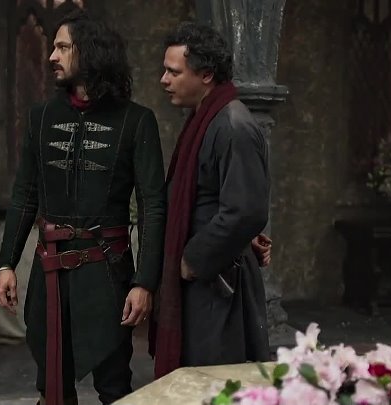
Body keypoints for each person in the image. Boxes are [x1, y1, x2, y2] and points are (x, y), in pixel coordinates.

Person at [0, 10, 166, 405]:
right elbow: (25, 194)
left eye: (62, 47)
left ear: (90, 52)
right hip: (50, 271)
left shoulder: (136, 121)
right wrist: (6, 263)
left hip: (106, 272)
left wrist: (144, 282)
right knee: (52, 385)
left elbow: (153, 207)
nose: (52, 56)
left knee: (114, 384)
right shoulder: (41, 117)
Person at [152, 22, 272, 378]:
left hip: (218, 284)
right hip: (204, 280)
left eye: (174, 72)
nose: (164, 79)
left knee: (215, 381)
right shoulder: (206, 119)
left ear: (206, 75)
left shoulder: (232, 125)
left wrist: (192, 260)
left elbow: (245, 211)